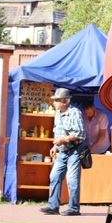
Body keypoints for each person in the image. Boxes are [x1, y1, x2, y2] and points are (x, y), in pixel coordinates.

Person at [40, 88, 86, 216]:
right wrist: (55, 146)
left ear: (65, 101)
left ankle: (74, 208)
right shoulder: (58, 114)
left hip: (74, 151)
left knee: (72, 180)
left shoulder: (75, 113)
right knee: (54, 176)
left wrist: (63, 140)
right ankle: (53, 206)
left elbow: (80, 134)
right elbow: (58, 132)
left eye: (57, 100)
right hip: (63, 151)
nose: (54, 103)